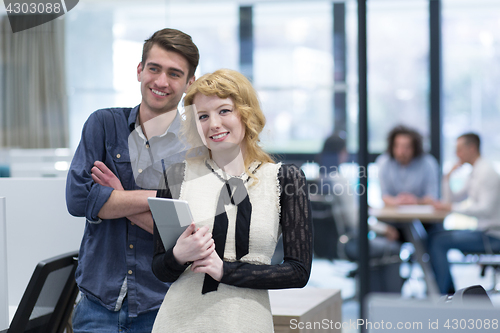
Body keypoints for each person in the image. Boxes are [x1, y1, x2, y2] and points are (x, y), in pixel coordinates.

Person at [150, 69, 313, 332]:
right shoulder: (177, 176)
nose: (213, 124)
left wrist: (224, 270)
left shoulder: (285, 179)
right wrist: (179, 255)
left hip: (247, 323)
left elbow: (298, 272)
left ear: (245, 113)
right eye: (202, 116)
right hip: (180, 322)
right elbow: (160, 269)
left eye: (224, 111)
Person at [65, 28, 199, 332]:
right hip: (97, 306)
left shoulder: (198, 146)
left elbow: (186, 236)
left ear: (189, 83)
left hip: (164, 308)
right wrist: (162, 199)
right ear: (140, 70)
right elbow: (77, 199)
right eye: (154, 68)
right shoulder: (103, 124)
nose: (161, 82)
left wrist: (115, 196)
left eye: (174, 73)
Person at [430, 133, 500, 294]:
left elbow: (485, 210)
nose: (457, 154)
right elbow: (454, 198)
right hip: (483, 232)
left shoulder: (486, 173)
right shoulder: (474, 172)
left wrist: (451, 208)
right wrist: (447, 177)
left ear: (472, 148)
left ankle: (443, 295)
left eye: (459, 150)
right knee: (435, 235)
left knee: (439, 242)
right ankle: (447, 292)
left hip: (492, 235)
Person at [377, 125, 439, 207]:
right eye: (397, 146)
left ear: (415, 148)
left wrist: (416, 201)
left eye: (407, 147)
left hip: (422, 213)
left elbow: (432, 196)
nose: (401, 151)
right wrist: (397, 201)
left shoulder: (428, 163)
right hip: (393, 214)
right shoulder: (384, 162)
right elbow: (384, 196)